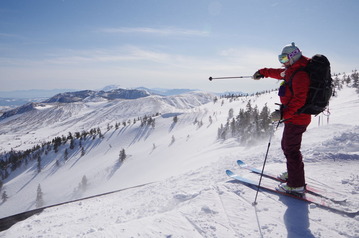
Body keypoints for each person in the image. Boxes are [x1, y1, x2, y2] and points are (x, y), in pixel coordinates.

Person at [252, 42, 311, 194]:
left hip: (297, 118)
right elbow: (278, 73)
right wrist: (262, 72)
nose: (282, 62)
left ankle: (296, 184)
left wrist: (283, 114)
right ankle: (293, 174)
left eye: (284, 58)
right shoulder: (293, 70)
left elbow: (299, 101)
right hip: (294, 118)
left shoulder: (300, 75)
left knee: (291, 149)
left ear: (293, 56)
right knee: (288, 147)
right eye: (280, 58)